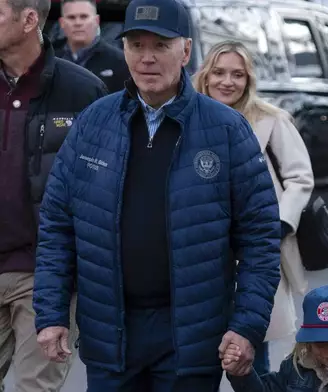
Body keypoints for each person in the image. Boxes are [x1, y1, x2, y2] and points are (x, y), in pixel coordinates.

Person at [32, 0, 281, 390]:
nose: (147, 58)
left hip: (191, 338)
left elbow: (260, 238)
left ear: (185, 51)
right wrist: (50, 314)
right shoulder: (94, 123)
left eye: (160, 46)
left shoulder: (226, 130)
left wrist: (246, 325)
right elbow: (57, 227)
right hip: (109, 333)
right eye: (136, 45)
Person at [0, 0, 107, 389]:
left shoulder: (82, 90)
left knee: (35, 387)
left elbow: (103, 188)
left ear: (29, 20)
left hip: (45, 274)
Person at [193, 40, 313, 376]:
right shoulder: (187, 117)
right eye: (219, 72)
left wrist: (278, 225)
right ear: (205, 74)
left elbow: (300, 177)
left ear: (249, 80)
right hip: (200, 252)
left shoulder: (272, 121)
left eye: (237, 74)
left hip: (254, 252)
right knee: (198, 357)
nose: (227, 82)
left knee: (250, 351)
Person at [55, 0, 130, 93]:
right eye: (71, 17)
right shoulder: (48, 59)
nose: (78, 23)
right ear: (62, 23)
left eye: (84, 17)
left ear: (96, 21)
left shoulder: (120, 61)